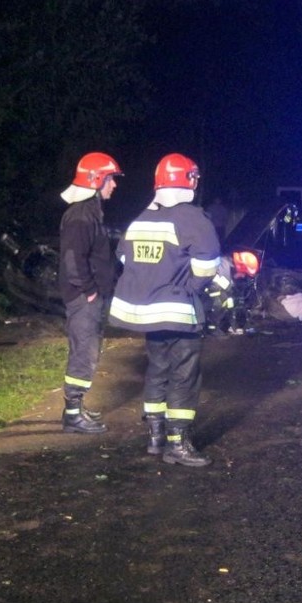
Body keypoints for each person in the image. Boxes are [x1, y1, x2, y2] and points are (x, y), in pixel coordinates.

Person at [109, 153, 222, 466]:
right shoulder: (192, 218)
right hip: (177, 311)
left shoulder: (142, 218)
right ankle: (179, 444)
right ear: (188, 180)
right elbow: (206, 265)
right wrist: (191, 289)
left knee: (157, 369)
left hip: (147, 314)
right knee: (184, 375)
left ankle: (156, 438)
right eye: (194, 177)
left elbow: (124, 258)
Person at [58, 151, 123, 434]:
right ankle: (72, 415)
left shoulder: (90, 211)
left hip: (88, 297)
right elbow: (74, 260)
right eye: (111, 179)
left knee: (87, 350)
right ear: (97, 180)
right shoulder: (81, 215)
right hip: (84, 298)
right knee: (84, 353)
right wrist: (90, 291)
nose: (114, 185)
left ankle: (76, 408)